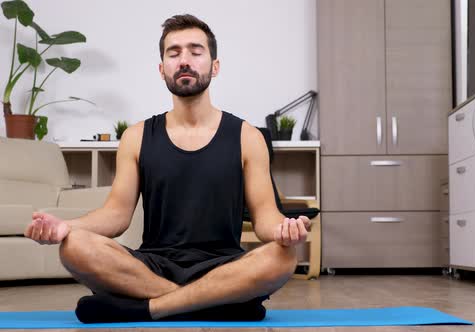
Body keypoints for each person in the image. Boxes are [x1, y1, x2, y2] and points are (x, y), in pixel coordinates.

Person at [24, 14, 310, 323]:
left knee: (282, 257)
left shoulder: (247, 137)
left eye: (195, 51)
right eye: (174, 53)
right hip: (152, 265)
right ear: (162, 70)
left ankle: (151, 308)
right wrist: (66, 228)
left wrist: (285, 230)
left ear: (215, 65)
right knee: (73, 247)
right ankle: (216, 302)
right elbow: (116, 217)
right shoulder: (136, 137)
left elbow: (266, 217)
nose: (184, 60)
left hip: (225, 265)